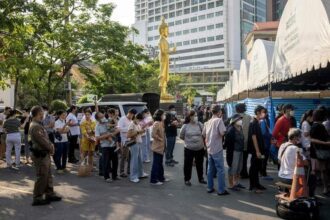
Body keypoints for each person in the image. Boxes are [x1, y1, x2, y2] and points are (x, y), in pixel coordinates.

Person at [29, 106, 62, 206]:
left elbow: (45, 139)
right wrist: (51, 147)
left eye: (42, 114)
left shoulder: (38, 124)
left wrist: (50, 146)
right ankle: (37, 197)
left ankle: (49, 194)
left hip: (44, 154)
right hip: (40, 154)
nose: (43, 116)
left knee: (48, 175)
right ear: (36, 115)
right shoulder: (35, 126)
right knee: (42, 176)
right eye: (41, 114)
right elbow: (42, 141)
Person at [202, 105, 229, 196]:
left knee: (210, 169)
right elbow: (222, 132)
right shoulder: (219, 120)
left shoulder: (208, 122)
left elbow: (204, 134)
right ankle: (221, 190)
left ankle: (210, 187)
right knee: (220, 170)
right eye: (221, 111)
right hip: (217, 148)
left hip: (209, 148)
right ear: (218, 112)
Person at [180, 110, 206, 186]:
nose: (195, 117)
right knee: (187, 164)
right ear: (190, 117)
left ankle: (201, 178)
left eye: (196, 115)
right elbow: (181, 136)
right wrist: (189, 141)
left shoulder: (200, 124)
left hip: (200, 148)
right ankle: (187, 179)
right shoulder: (185, 126)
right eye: (194, 115)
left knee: (200, 164)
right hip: (189, 149)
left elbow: (204, 134)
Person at [310, 109, 330, 196]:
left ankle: (325, 187)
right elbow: (311, 139)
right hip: (320, 151)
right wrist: (325, 143)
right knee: (323, 170)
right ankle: (325, 188)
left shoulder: (316, 125)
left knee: (323, 170)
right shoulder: (318, 126)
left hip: (318, 150)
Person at [95, 112, 119, 183]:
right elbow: (97, 138)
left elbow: (116, 130)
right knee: (106, 162)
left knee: (115, 161)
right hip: (105, 146)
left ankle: (115, 176)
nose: (103, 118)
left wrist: (110, 134)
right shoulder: (97, 126)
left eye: (103, 116)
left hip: (113, 145)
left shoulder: (108, 123)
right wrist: (106, 135)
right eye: (101, 117)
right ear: (98, 119)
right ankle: (107, 177)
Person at [248, 105, 267, 193]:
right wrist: (257, 151)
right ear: (258, 113)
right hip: (256, 150)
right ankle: (253, 186)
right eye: (263, 112)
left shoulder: (258, 122)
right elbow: (254, 137)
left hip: (260, 149)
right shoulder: (253, 123)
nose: (264, 114)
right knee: (254, 168)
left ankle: (257, 184)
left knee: (258, 166)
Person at [225, 114, 245, 191]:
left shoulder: (240, 128)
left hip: (240, 151)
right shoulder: (231, 130)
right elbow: (228, 143)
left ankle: (236, 183)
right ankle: (231, 185)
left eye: (241, 119)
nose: (240, 120)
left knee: (239, 168)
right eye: (239, 119)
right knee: (233, 168)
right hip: (234, 152)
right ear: (234, 121)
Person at [127, 113, 149, 183]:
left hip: (138, 142)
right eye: (140, 120)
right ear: (136, 118)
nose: (140, 121)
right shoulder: (132, 124)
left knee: (139, 159)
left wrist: (142, 131)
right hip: (134, 144)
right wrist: (139, 131)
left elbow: (139, 133)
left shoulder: (137, 124)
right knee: (134, 160)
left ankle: (140, 173)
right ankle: (133, 176)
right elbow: (128, 135)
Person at [150, 109, 168, 185]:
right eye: (163, 114)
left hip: (161, 146)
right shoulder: (156, 123)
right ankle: (153, 180)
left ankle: (161, 177)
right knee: (156, 163)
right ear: (160, 115)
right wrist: (160, 139)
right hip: (157, 147)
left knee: (160, 163)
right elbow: (153, 134)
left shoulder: (161, 123)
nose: (164, 116)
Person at [118, 108, 137, 177]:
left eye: (133, 115)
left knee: (130, 156)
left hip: (131, 140)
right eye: (131, 114)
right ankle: (121, 172)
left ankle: (129, 170)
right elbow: (119, 129)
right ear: (129, 112)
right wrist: (129, 130)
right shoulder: (123, 119)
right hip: (124, 141)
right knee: (124, 156)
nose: (132, 116)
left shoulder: (131, 120)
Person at [235, 103, 252, 179]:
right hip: (246, 141)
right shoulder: (249, 117)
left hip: (237, 142)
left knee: (238, 159)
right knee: (244, 158)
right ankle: (244, 173)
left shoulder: (235, 117)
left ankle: (238, 173)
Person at [260, 109, 273, 180]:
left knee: (264, 159)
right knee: (264, 159)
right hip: (264, 144)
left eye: (265, 112)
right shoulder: (262, 121)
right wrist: (270, 135)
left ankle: (263, 173)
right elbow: (263, 133)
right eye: (263, 112)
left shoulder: (266, 120)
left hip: (266, 143)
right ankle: (263, 173)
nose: (265, 114)